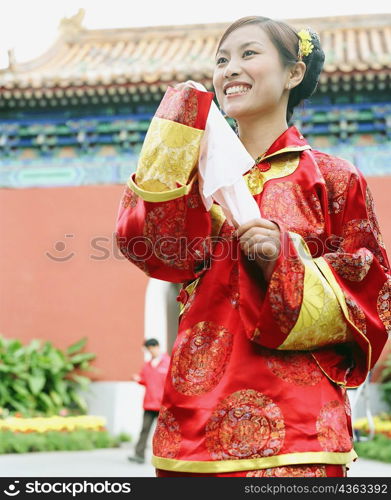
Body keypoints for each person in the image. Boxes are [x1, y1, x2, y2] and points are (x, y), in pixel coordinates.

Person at [116, 16, 390, 477]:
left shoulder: (334, 177)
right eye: (221, 60)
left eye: (248, 54)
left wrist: (284, 255)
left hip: (299, 428)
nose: (229, 70)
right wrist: (170, 152)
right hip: (193, 419)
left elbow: (374, 288)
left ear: (293, 73)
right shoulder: (193, 177)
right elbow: (152, 250)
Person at [128, 338, 170, 464]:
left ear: (157, 347)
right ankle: (139, 455)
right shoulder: (147, 365)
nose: (151, 351)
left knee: (165, 432)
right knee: (144, 430)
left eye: (152, 348)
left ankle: (167, 456)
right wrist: (137, 379)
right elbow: (144, 380)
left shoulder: (168, 363)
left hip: (163, 405)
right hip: (149, 403)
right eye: (148, 350)